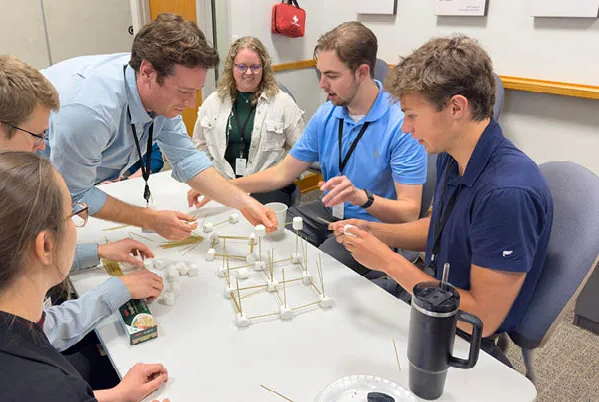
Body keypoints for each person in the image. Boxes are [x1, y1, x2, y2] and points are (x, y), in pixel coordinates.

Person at [0, 56, 162, 377]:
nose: (42, 147)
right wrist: (117, 290)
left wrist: (98, 253)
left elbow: (16, 265)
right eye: (37, 135)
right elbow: (30, 333)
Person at [330, 35, 553, 366]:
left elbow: (482, 318)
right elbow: (440, 229)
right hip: (431, 295)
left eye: (412, 115)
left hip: (463, 334)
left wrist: (389, 262)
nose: (405, 128)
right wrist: (374, 232)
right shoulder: (455, 154)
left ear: (456, 108)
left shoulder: (507, 195)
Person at [0, 152, 169, 402]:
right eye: (71, 214)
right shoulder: (47, 385)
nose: (76, 223)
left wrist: (115, 395)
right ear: (45, 245)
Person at [189, 22, 427, 276]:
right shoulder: (327, 114)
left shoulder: (401, 123)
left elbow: (409, 212)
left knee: (316, 268)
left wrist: (363, 198)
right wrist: (224, 188)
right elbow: (283, 173)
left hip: (369, 225)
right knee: (270, 237)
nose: (322, 84)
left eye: (332, 76)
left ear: (362, 72)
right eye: (320, 74)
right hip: (328, 210)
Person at [40, 13, 277, 241]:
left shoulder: (159, 92)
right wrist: (150, 220)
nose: (191, 103)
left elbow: (187, 159)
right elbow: (74, 195)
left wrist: (245, 203)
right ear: (147, 72)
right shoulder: (91, 111)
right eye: (184, 92)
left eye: (195, 91)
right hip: (31, 187)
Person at [192, 36, 305, 206]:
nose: (249, 73)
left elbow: (300, 150)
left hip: (267, 187)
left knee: (257, 225)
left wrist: (281, 174)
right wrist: (209, 178)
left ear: (264, 68)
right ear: (232, 67)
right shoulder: (213, 102)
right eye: (242, 67)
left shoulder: (282, 103)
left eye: (255, 67)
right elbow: (200, 145)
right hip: (222, 184)